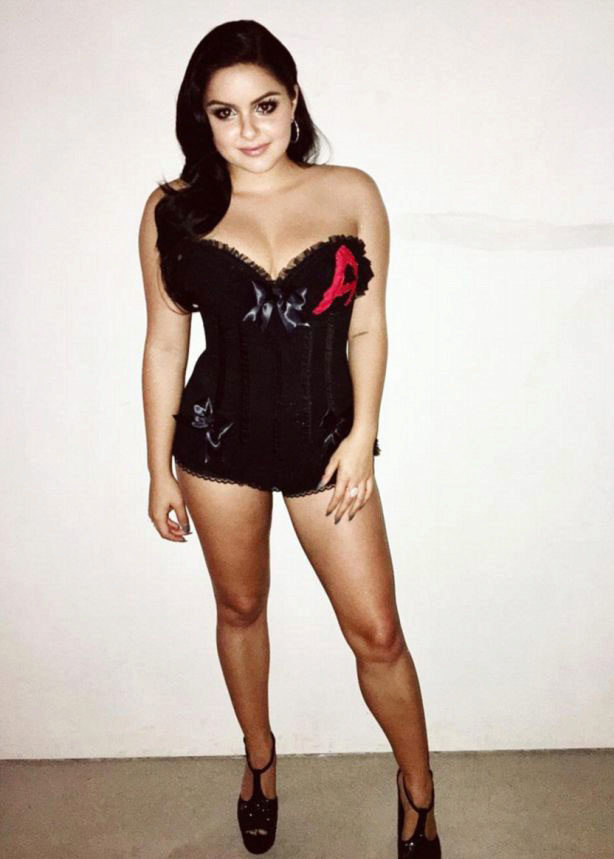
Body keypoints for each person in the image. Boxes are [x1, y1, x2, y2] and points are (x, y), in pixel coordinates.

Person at [138, 19, 442, 859]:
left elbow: (367, 327)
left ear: (294, 100)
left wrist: (364, 435)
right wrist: (157, 467)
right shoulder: (173, 210)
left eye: (265, 105)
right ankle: (261, 761)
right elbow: (165, 343)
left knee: (377, 632)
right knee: (240, 608)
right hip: (216, 444)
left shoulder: (350, 193)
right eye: (225, 112)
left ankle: (418, 791)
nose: (249, 129)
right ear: (201, 117)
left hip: (327, 444)